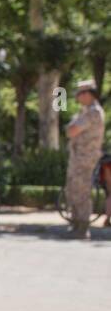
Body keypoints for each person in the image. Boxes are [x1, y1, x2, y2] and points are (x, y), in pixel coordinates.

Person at [63, 79, 105, 240]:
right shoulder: (85, 111)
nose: (77, 96)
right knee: (72, 188)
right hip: (78, 156)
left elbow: (72, 130)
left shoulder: (93, 112)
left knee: (81, 190)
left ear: (89, 94)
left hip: (85, 157)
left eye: (80, 93)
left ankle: (82, 226)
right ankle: (75, 223)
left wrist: (70, 129)